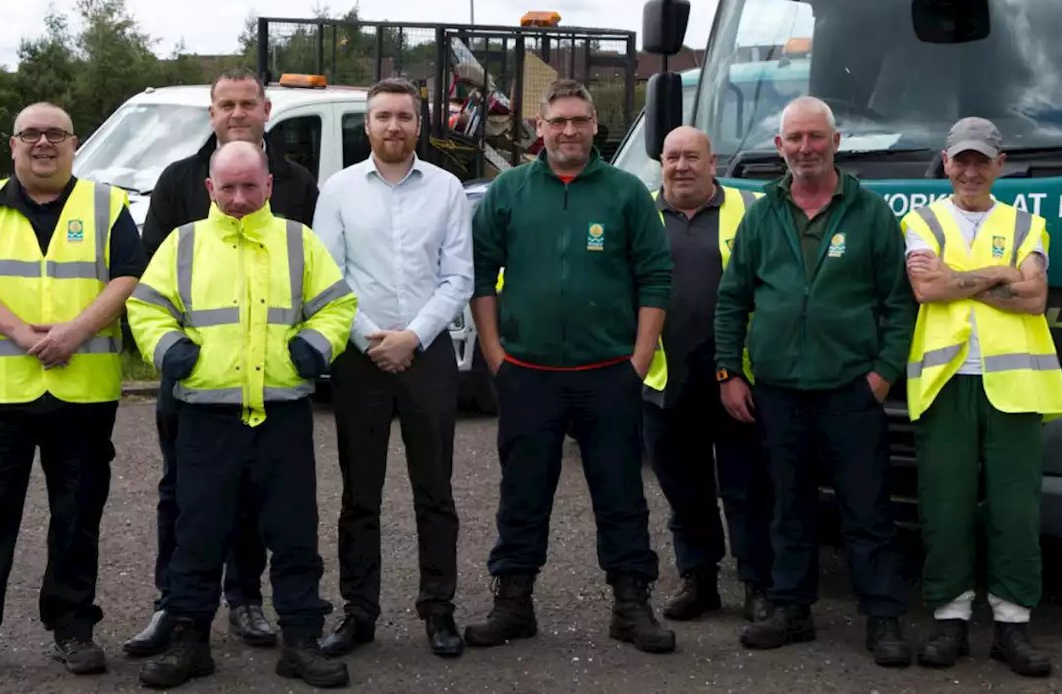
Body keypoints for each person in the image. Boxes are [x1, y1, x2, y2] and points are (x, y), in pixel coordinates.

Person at [125, 140, 357, 689]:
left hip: (282, 416)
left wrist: (315, 347)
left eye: (249, 186)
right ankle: (189, 643)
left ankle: (300, 642)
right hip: (207, 419)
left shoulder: (298, 241)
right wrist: (171, 352)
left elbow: (337, 305)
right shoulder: (184, 244)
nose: (237, 198)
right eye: (226, 187)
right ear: (209, 188)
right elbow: (145, 306)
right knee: (198, 534)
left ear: (269, 186)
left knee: (295, 535)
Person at [0, 102, 143, 681]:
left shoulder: (107, 204)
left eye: (55, 134)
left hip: (83, 393)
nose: (43, 143)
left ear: (74, 144)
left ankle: (73, 629)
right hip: (1, 393)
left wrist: (76, 331)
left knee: (77, 517)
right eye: (32, 134)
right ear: (13, 145)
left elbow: (129, 275)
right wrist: (26, 335)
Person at [465, 78, 677, 654]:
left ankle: (631, 604)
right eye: (558, 121)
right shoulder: (508, 192)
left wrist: (638, 360)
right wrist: (494, 355)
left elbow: (656, 278)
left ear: (593, 126)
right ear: (539, 127)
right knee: (523, 492)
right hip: (528, 374)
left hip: (609, 373)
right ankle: (513, 602)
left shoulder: (626, 193)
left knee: (621, 492)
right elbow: (481, 277)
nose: (569, 131)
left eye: (580, 121)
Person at [713, 96, 917, 667]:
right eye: (794, 139)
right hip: (776, 390)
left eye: (815, 137)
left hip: (851, 389)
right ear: (779, 147)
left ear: (835, 140)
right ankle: (790, 609)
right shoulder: (761, 215)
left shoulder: (871, 213)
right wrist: (730, 373)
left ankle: (883, 617)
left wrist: (882, 375)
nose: (805, 148)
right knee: (787, 505)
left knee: (867, 508)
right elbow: (731, 301)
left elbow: (898, 305)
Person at [311, 77, 473, 658]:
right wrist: (372, 339)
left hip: (426, 357)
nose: (394, 127)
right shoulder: (339, 189)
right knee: (360, 495)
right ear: (368, 124)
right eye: (383, 117)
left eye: (404, 116)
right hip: (360, 359)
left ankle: (439, 610)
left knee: (435, 492)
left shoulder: (448, 188)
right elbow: (328, 276)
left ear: (418, 122)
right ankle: (359, 613)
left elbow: (458, 276)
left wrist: (413, 336)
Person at [901, 117, 1062, 677]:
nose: (971, 171)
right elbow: (928, 287)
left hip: (1016, 387)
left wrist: (968, 276)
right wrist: (1001, 274)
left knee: (1015, 510)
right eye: (961, 160)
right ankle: (949, 620)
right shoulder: (919, 221)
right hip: (946, 384)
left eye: (982, 161)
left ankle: (1012, 626)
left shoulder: (1028, 225)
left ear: (1000, 165)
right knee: (945, 505)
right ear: (946, 163)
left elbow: (1034, 299)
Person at [640, 125, 775, 624]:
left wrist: (738, 368)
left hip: (736, 378)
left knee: (748, 488)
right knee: (684, 490)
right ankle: (698, 580)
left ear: (712, 162)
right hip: (664, 379)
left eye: (692, 157)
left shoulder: (751, 209)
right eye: (672, 157)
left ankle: (758, 584)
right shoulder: (642, 213)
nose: (681, 166)